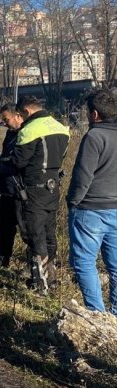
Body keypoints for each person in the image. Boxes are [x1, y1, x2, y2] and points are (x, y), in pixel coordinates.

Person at [11, 95, 69, 294]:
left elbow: (18, 162)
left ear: (26, 111)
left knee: (35, 234)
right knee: (49, 232)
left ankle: (40, 283)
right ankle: (52, 278)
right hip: (53, 187)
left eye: (20, 115)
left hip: (33, 188)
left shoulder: (29, 130)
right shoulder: (61, 127)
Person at [66, 90, 117, 314]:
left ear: (94, 114)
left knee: (84, 262)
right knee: (115, 268)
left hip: (90, 209)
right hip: (116, 208)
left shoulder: (94, 137)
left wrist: (73, 201)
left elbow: (82, 176)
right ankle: (114, 317)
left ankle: (97, 314)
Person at [0, 104, 27, 268]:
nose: (5, 124)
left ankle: (32, 266)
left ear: (18, 116)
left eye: (7, 120)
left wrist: (3, 164)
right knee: (5, 227)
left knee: (26, 229)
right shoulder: (10, 134)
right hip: (7, 187)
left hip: (21, 189)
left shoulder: (26, 134)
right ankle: (1, 257)